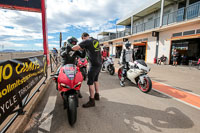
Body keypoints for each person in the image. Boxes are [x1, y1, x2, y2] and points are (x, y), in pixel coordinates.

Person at [72, 32, 102, 108]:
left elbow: (75, 48)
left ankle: (92, 101)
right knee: (96, 80)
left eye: (83, 39)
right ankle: (97, 95)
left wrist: (70, 47)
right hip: (99, 63)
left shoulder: (87, 41)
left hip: (93, 65)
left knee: (90, 83)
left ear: (84, 37)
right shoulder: (95, 40)